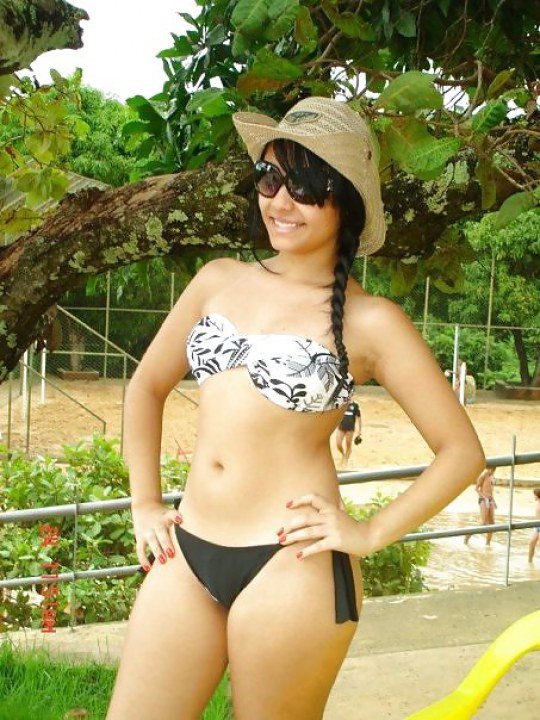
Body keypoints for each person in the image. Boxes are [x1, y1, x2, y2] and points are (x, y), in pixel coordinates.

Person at [106, 96, 485, 720]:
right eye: (270, 178)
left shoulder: (372, 321)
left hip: (293, 563)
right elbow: (145, 387)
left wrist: (369, 532)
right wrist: (144, 502)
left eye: (305, 186)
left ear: (346, 201)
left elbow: (462, 452)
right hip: (187, 547)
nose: (280, 202)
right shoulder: (217, 279)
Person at [465, 466, 497, 546]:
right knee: (484, 523)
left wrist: (493, 500)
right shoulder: (483, 475)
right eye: (491, 470)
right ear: (489, 468)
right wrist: (484, 497)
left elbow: (490, 489)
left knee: (492, 523)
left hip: (490, 500)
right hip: (483, 499)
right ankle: (468, 534)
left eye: (493, 470)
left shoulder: (492, 476)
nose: (492, 471)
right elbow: (476, 488)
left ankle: (488, 544)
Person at [335, 400, 362, 466]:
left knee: (348, 445)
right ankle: (343, 455)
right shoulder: (341, 403)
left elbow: (359, 418)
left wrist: (359, 431)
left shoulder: (355, 405)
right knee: (338, 444)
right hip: (341, 427)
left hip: (350, 428)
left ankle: (345, 460)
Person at [527, 488, 540, 563]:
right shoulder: (537, 502)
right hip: (536, 525)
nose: (533, 497)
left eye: (534, 495)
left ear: (537, 496)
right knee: (531, 543)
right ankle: (530, 562)